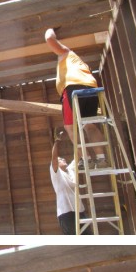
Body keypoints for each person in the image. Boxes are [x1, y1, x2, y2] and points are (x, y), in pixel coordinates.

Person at [44, 28, 106, 168]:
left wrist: (50, 29)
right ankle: (101, 158)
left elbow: (49, 39)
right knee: (89, 125)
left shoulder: (67, 54)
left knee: (70, 127)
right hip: (91, 89)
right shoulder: (82, 66)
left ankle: (87, 159)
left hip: (73, 89)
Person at [49, 131, 85, 235]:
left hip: (79, 209)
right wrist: (57, 141)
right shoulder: (56, 173)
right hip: (65, 212)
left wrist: (74, 136)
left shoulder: (71, 169)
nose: (63, 159)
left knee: (87, 237)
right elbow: (54, 158)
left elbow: (78, 154)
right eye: (60, 159)